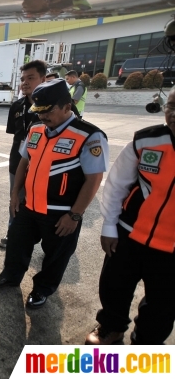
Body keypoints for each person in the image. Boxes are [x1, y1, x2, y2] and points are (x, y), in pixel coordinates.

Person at [0, 79, 109, 309]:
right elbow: (24, 162)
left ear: (67, 106)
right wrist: (15, 194)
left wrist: (75, 215)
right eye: (38, 111)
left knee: (55, 257)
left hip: (61, 213)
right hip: (28, 206)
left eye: (48, 111)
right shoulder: (36, 129)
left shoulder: (89, 136)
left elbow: (94, 180)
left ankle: (42, 289)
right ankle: (10, 277)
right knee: (16, 246)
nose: (42, 117)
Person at [85, 90, 175, 345]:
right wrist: (110, 225)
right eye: (171, 106)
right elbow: (116, 185)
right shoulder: (146, 140)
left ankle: (146, 344)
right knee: (114, 287)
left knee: (163, 304)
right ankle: (111, 328)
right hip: (129, 234)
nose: (173, 114)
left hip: (171, 249)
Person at [0, 60, 48, 249]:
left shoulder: (57, 106)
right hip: (18, 162)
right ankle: (13, 235)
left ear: (43, 79)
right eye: (22, 79)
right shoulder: (17, 106)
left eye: (30, 78)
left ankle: (45, 240)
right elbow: (15, 134)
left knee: (43, 203)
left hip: (45, 167)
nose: (25, 83)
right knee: (16, 200)